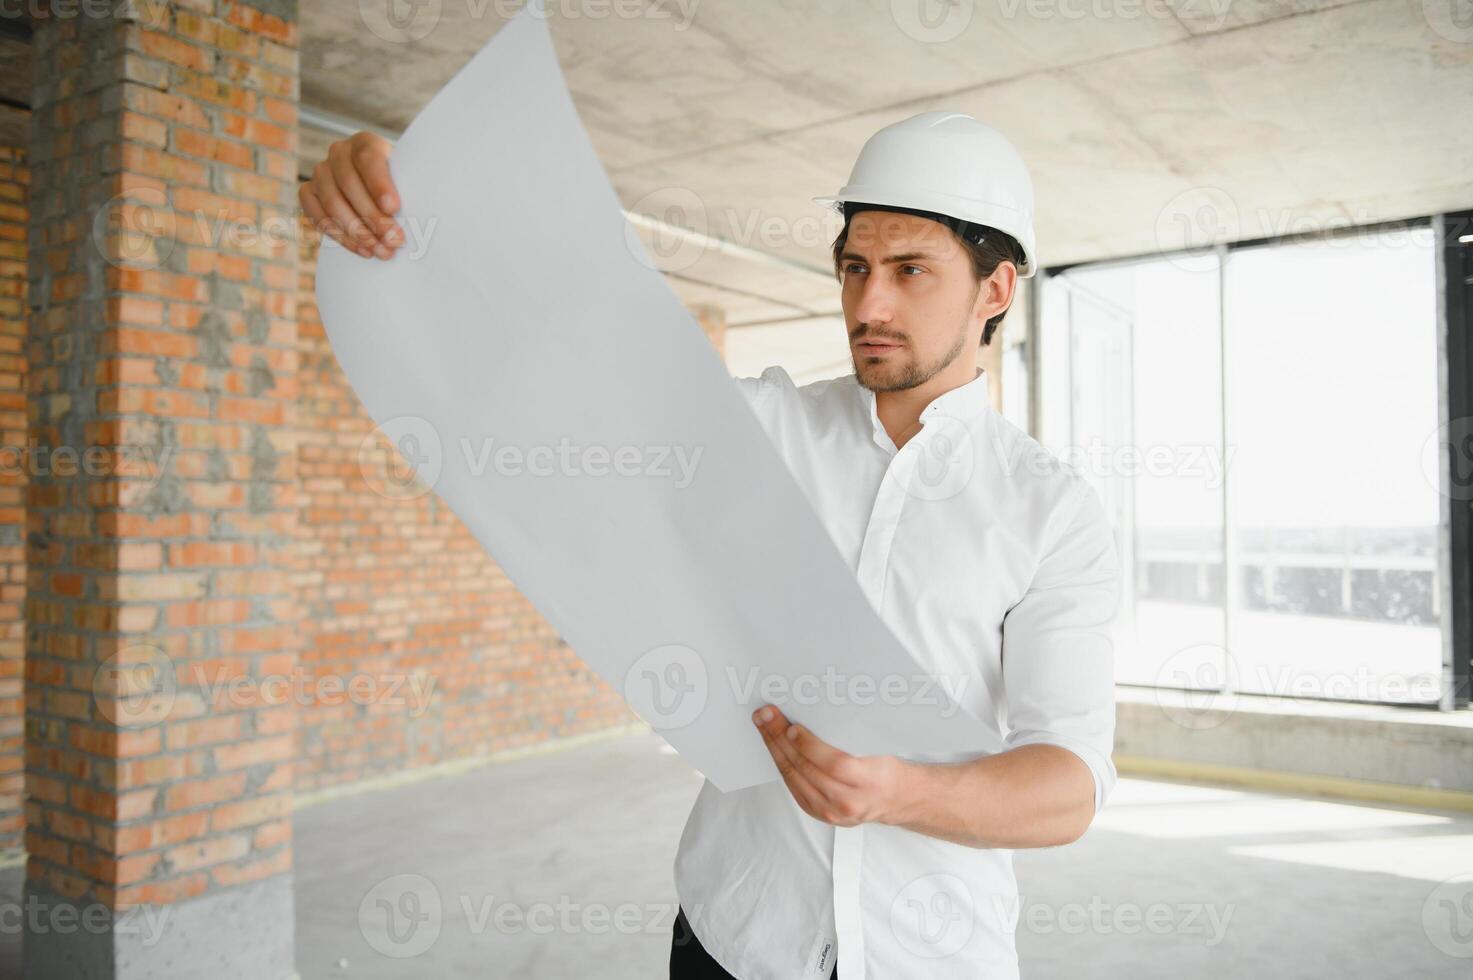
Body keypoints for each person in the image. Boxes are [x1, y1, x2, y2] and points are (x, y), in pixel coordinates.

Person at [301, 110, 1121, 980]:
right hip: (733, 936)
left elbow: (1067, 782)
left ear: (995, 290)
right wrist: (422, 207)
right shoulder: (759, 431)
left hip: (935, 952)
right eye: (854, 268)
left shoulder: (1050, 511)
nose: (868, 304)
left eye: (910, 271)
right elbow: (564, 360)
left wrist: (901, 794)